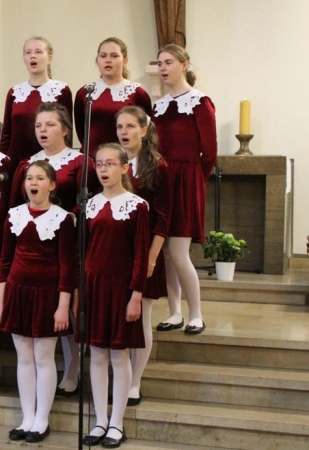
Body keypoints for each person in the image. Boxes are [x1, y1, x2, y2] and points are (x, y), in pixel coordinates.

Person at [10, 103, 96, 398]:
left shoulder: (80, 161)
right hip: (38, 243)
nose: (42, 130)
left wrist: (65, 219)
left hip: (72, 235)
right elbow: (18, 203)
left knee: (69, 303)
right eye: (38, 125)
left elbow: (90, 199)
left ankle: (74, 367)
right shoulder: (28, 164)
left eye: (49, 125)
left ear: (65, 130)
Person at [0, 160, 76, 443]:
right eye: (30, 178)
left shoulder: (63, 219)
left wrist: (63, 305)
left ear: (52, 185)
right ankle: (27, 417)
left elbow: (67, 266)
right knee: (24, 358)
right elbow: (5, 261)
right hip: (17, 293)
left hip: (47, 295)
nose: (33, 182)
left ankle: (42, 419)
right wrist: (1, 300)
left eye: (40, 178)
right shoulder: (14, 215)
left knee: (43, 358)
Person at [78, 143, 149, 448]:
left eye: (110, 164)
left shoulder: (137, 206)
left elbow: (140, 255)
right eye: (99, 164)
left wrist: (136, 295)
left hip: (121, 288)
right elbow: (82, 252)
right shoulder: (89, 205)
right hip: (93, 286)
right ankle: (99, 420)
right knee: (96, 354)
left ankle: (117, 423)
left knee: (119, 355)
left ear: (124, 168)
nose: (103, 169)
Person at [152, 44, 217, 335]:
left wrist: (193, 181)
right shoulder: (159, 106)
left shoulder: (200, 102)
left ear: (184, 64)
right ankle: (175, 312)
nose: (163, 68)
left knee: (179, 252)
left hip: (187, 180)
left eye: (169, 62)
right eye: (160, 63)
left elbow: (210, 152)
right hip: (163, 179)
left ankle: (196, 314)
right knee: (165, 253)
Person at [116, 106, 171, 406]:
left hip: (146, 250)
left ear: (144, 130)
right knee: (120, 316)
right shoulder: (113, 162)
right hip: (117, 252)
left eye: (130, 126)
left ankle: (135, 381)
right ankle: (120, 376)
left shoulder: (158, 167)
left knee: (142, 317)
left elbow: (163, 217)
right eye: (120, 127)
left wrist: (151, 257)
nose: (124, 132)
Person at [74, 37, 152, 158]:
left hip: (124, 160)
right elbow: (81, 130)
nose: (108, 60)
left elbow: (147, 131)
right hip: (92, 159)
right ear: (97, 60)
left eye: (114, 56)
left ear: (125, 60)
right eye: (103, 56)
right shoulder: (85, 92)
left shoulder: (137, 93)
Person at [0, 36, 73, 164]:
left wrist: (64, 162)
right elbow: (6, 134)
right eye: (28, 52)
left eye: (38, 52)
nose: (32, 56)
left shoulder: (61, 90)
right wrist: (3, 163)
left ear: (49, 58)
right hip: (16, 162)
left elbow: (67, 132)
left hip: (49, 163)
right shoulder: (14, 92)